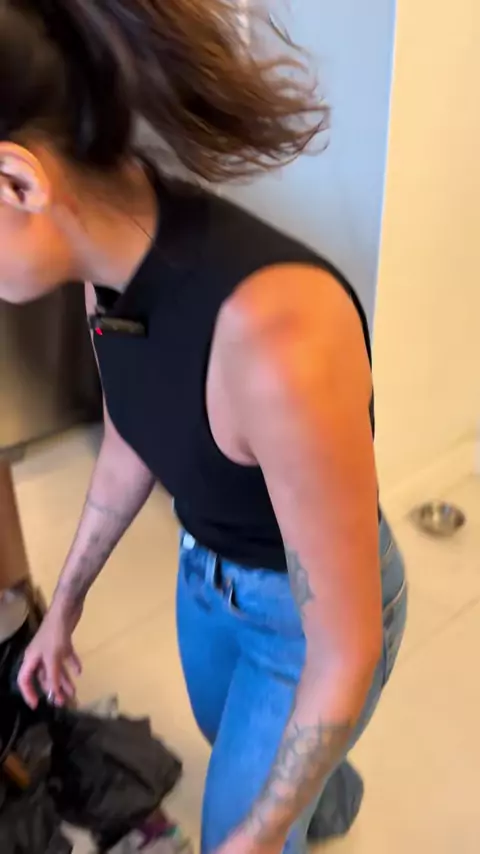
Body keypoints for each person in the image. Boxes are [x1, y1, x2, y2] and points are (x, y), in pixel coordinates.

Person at [1, 2, 407, 853]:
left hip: (303, 615)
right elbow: (131, 438)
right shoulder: (110, 264)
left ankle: (310, 799)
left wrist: (257, 833)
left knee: (243, 817)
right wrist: (63, 606)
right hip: (206, 577)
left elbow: (343, 646)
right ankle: (324, 795)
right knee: (235, 742)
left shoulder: (279, 339)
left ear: (20, 182)